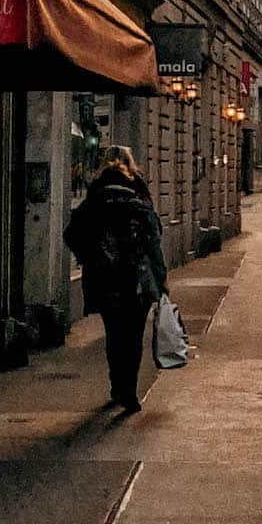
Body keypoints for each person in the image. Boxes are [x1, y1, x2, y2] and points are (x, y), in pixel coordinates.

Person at [63, 147, 169, 414]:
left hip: (105, 278)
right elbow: (154, 240)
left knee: (114, 334)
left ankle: (117, 386)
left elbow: (72, 234)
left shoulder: (95, 198)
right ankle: (129, 392)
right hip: (137, 278)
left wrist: (89, 258)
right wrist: (161, 279)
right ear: (131, 167)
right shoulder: (139, 195)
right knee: (133, 336)